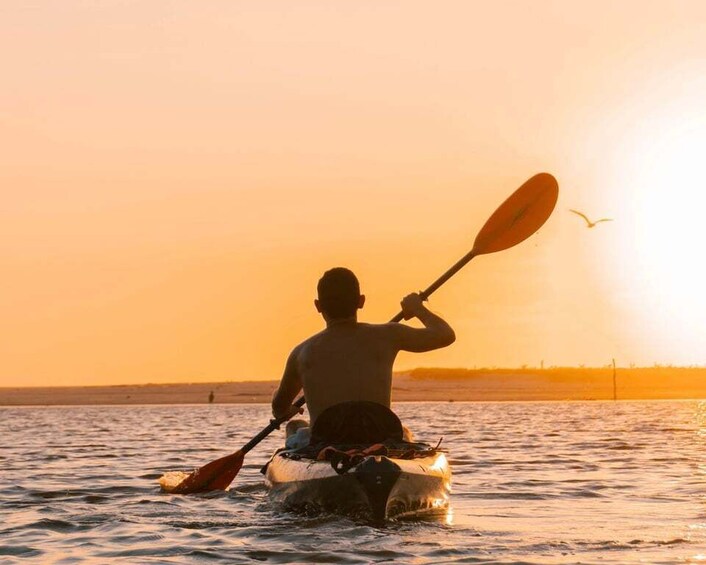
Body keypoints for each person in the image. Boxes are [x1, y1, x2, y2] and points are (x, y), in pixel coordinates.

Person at [271, 267, 455, 447]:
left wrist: (288, 411)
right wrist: (417, 309)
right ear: (361, 301)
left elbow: (279, 407)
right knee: (404, 432)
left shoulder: (302, 352)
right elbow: (445, 335)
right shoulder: (388, 335)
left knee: (295, 426)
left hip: (325, 442)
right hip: (379, 436)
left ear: (318, 306)